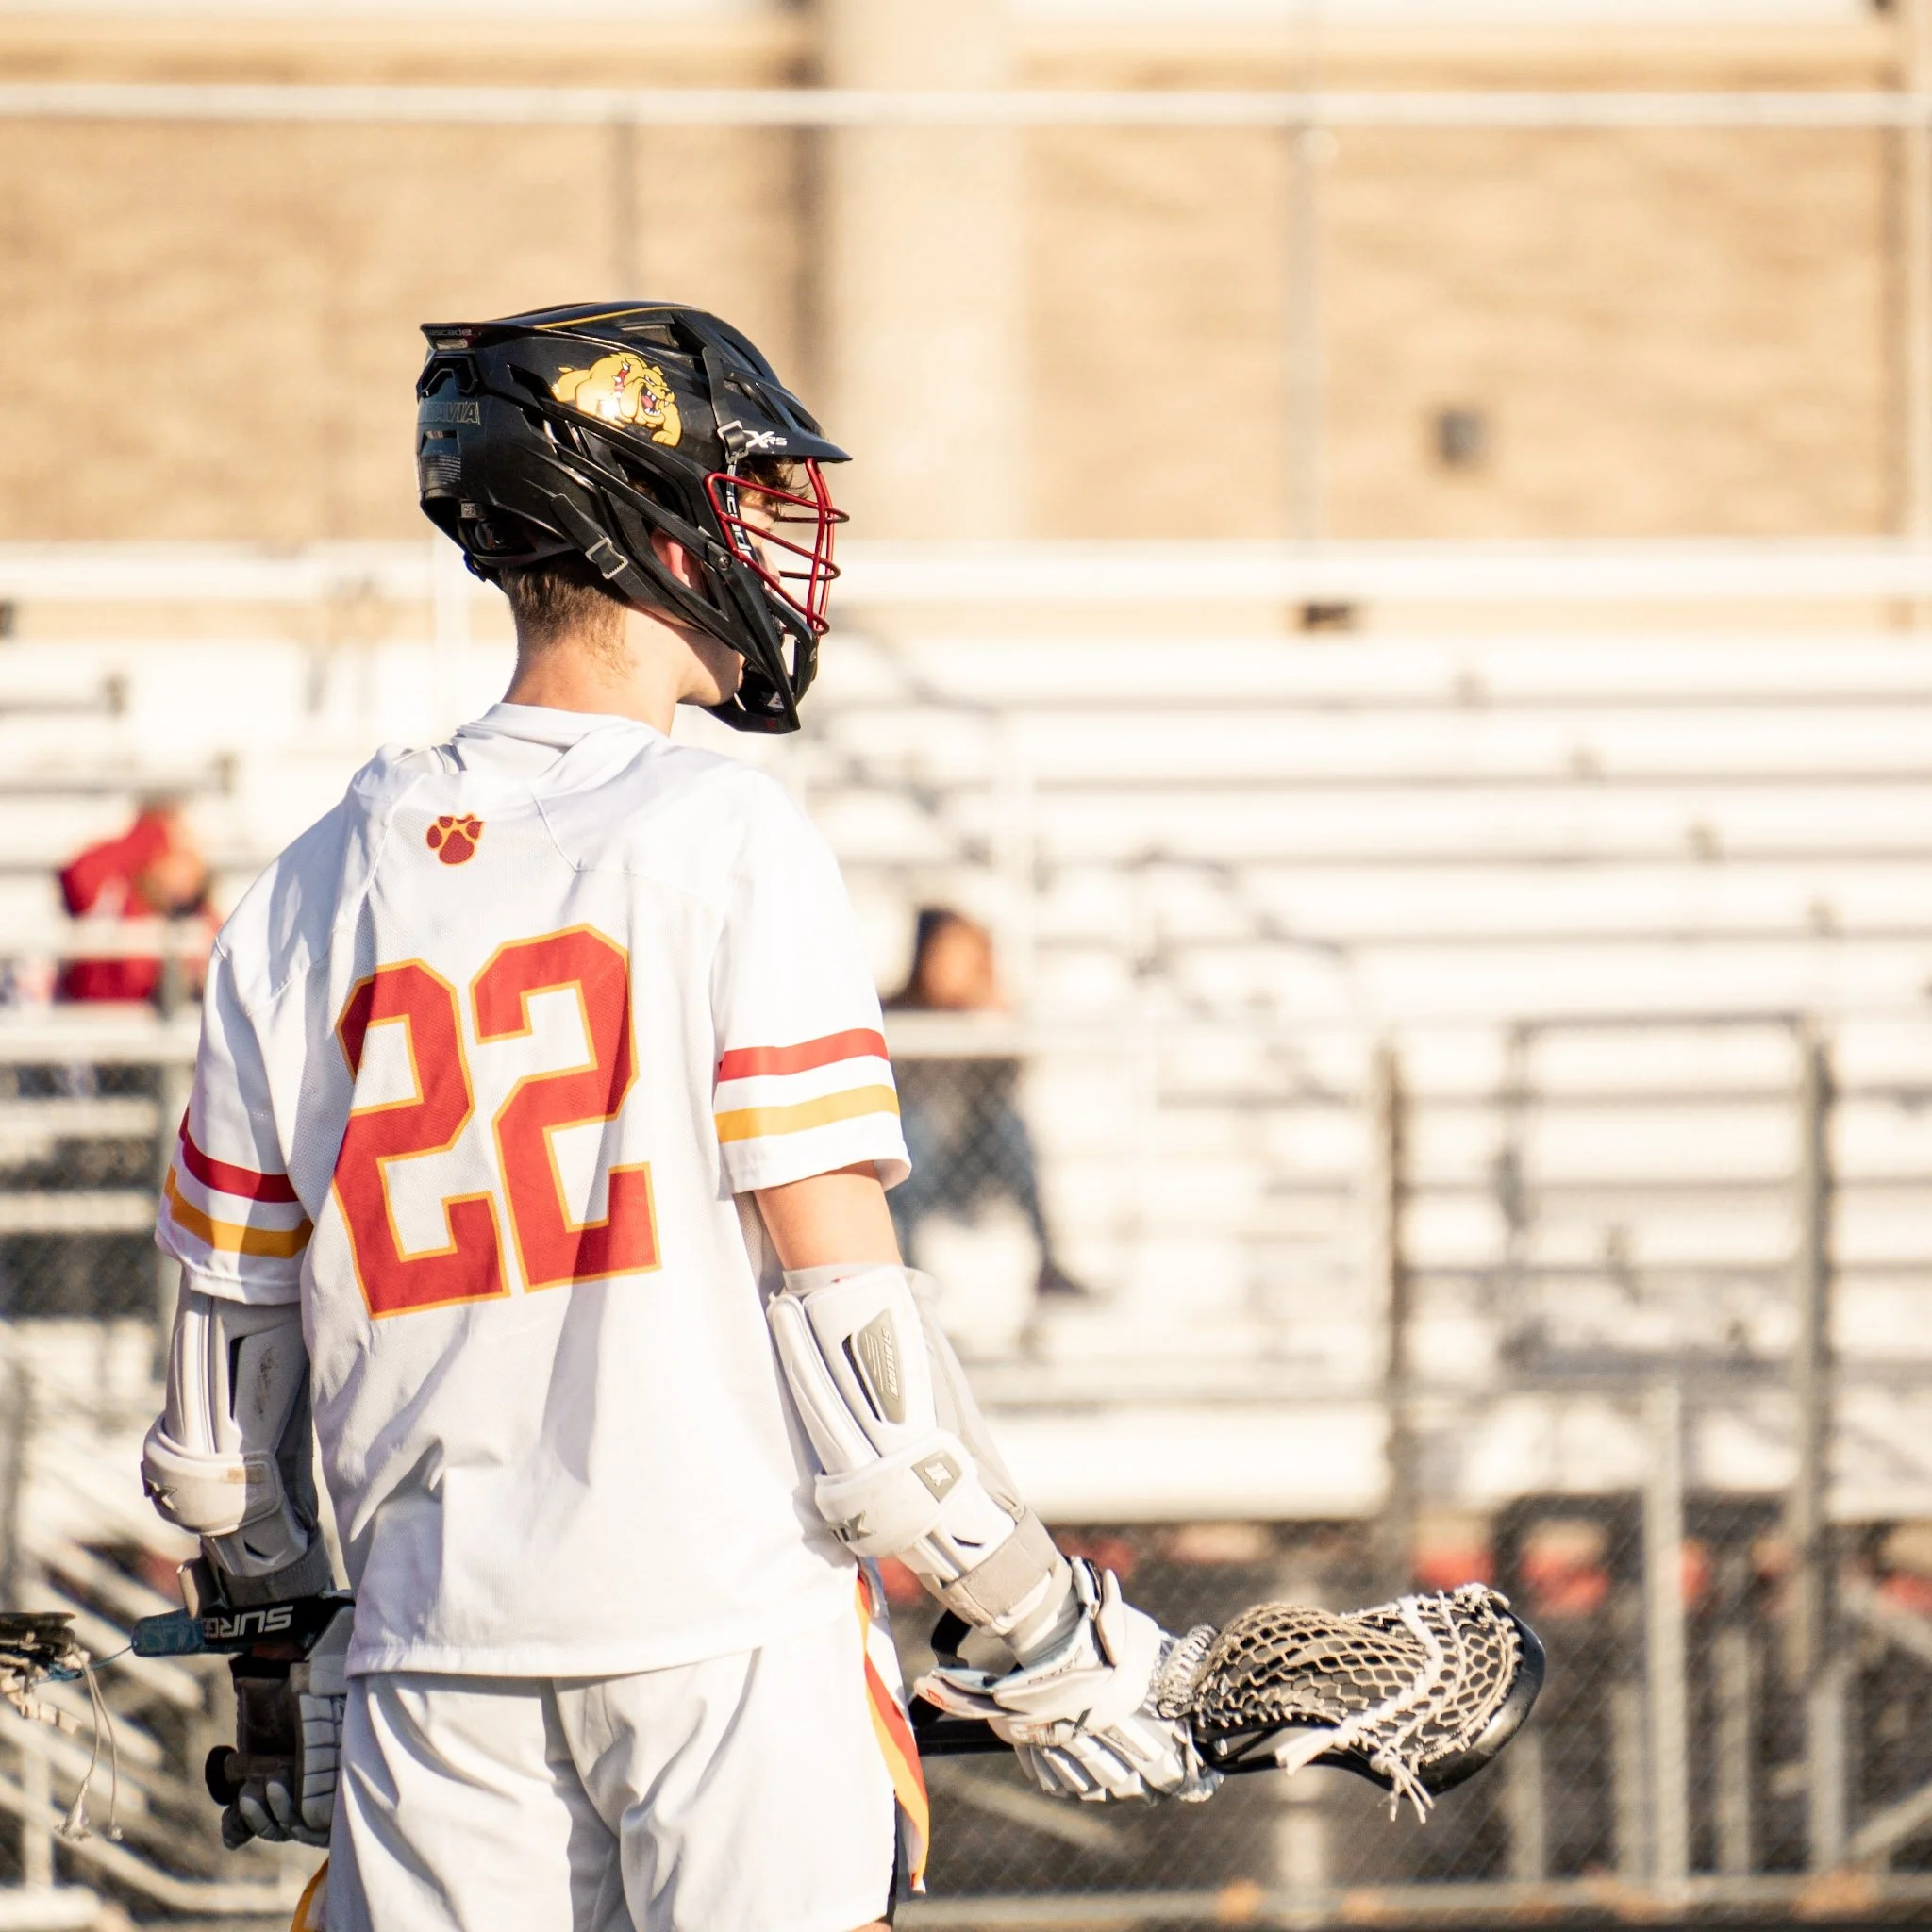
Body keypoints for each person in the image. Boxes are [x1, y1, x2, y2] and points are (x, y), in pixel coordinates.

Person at [136, 304, 1214, 1932]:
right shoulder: (720, 834)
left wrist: (292, 1665)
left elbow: (225, 1407)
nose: (781, 535)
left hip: (439, 1664)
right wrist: (1035, 1621)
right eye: (748, 491)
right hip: (727, 1636)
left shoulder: (303, 888)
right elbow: (843, 1309)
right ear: (637, 517)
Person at [887, 908, 1090, 1300]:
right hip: (915, 1166)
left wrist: (993, 1026)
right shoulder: (894, 1012)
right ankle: (907, 1262)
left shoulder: (979, 1015)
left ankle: (1047, 1262)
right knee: (919, 1124)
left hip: (971, 1164)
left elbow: (1005, 1088)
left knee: (1010, 1125)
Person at [57, 797, 212, 1005]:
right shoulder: (115, 887)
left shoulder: (198, 909)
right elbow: (76, 877)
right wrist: (150, 836)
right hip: (96, 1014)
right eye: (176, 851)